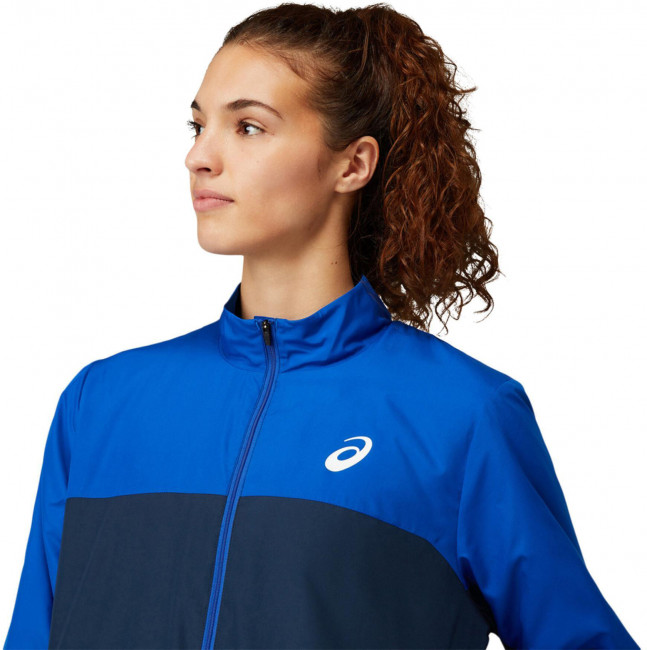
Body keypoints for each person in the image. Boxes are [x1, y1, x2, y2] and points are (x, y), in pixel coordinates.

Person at [4, 3, 640, 649]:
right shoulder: (101, 401)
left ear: (352, 164)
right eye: (197, 125)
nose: (199, 156)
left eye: (248, 127)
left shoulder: (460, 417)